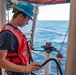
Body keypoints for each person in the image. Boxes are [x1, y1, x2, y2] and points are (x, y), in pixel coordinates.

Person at [0, 1, 41, 75]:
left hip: (20, 70)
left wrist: (27, 47)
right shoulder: (7, 34)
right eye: (27, 20)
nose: (27, 23)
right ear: (21, 16)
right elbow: (1, 61)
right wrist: (25, 69)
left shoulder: (15, 29)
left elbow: (15, 49)